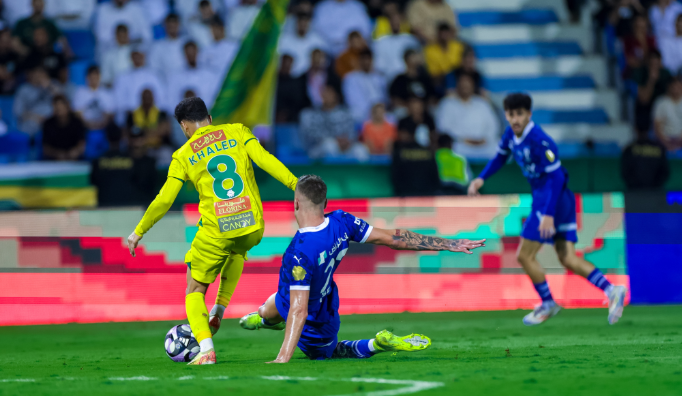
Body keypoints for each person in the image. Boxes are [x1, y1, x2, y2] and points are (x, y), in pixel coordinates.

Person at [238, 174, 485, 362]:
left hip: (314, 315)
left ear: (295, 203)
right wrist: (448, 243)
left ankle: (376, 344)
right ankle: (264, 318)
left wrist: (283, 357)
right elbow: (394, 238)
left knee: (328, 351)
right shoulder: (342, 221)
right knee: (270, 309)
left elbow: (300, 310)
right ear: (325, 202)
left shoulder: (298, 251)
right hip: (321, 299)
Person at [126, 97, 299, 365]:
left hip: (217, 229)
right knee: (238, 249)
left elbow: (164, 199)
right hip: (253, 225)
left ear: (184, 126)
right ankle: (218, 309)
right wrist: (296, 185)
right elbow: (266, 160)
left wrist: (139, 231)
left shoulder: (182, 155)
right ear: (208, 117)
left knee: (194, 288)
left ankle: (206, 350)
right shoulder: (238, 131)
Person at [467, 93, 628, 326]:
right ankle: (612, 290)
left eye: (520, 114)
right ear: (506, 115)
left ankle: (548, 303)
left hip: (551, 200)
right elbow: (500, 158)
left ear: (529, 114)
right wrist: (481, 178)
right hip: (558, 200)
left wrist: (548, 215)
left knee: (524, 255)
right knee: (568, 258)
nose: (515, 119)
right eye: (511, 114)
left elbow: (556, 178)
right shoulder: (510, 135)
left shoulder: (540, 141)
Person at [436, 73, 500, 159]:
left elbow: (493, 126)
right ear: (457, 86)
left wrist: (484, 139)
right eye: (462, 84)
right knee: (452, 150)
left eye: (468, 84)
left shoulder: (482, 103)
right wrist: (464, 139)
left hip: (483, 144)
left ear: (473, 86)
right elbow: (443, 127)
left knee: (500, 148)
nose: (465, 87)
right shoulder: (447, 104)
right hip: (460, 144)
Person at [299, 85, 368, 160]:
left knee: (361, 150)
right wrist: (335, 140)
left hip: (344, 146)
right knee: (330, 145)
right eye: (324, 94)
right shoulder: (311, 114)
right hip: (319, 148)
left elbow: (352, 132)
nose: (327, 97)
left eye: (330, 94)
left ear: (335, 96)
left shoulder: (346, 113)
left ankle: (357, 172)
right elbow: (310, 135)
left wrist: (347, 141)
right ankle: (332, 172)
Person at [113, 48, 166, 125]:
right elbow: (119, 100)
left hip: (151, 115)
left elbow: (160, 97)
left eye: (139, 56)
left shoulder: (154, 76)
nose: (137, 59)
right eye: (135, 57)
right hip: (130, 116)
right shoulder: (122, 77)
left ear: (144, 57)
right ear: (131, 58)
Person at [126, 89, 172, 165]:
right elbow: (127, 134)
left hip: (157, 148)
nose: (147, 100)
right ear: (141, 98)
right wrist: (154, 132)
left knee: (166, 154)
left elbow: (164, 130)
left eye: (149, 97)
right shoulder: (132, 115)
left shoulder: (162, 114)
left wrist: (142, 138)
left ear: (153, 98)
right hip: (138, 149)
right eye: (145, 97)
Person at [13, 65, 61, 136]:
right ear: (31, 74)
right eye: (37, 73)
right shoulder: (23, 89)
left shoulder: (53, 84)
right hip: (32, 120)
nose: (39, 76)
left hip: (52, 119)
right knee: (30, 125)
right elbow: (18, 112)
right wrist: (37, 117)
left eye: (41, 73)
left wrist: (49, 86)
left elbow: (63, 102)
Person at [391, 126, 441, 196]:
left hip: (405, 195)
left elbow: (395, 176)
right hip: (426, 195)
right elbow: (435, 178)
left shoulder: (399, 152)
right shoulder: (430, 153)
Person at [342, 48, 387, 123]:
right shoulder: (351, 78)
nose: (366, 62)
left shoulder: (379, 78)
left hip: (380, 114)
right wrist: (370, 113)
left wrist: (378, 111)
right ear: (359, 61)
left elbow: (384, 99)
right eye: (363, 59)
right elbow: (352, 101)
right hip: (360, 116)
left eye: (368, 59)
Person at [372, 12, 420, 83]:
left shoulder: (410, 40)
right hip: (388, 78)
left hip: (407, 77)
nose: (395, 24)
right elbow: (379, 65)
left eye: (397, 21)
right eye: (393, 21)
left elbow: (416, 60)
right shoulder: (381, 42)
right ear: (389, 23)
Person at [633, 49, 672, 131]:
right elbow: (644, 99)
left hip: (664, 106)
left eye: (656, 64)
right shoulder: (641, 72)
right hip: (647, 107)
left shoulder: (666, 73)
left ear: (660, 63)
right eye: (652, 64)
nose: (654, 67)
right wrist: (651, 80)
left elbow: (673, 95)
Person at [41, 94, 87, 161]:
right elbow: (46, 148)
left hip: (75, 160)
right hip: (54, 160)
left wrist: (74, 152)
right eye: (56, 107)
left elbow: (82, 144)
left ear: (67, 106)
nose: (58, 109)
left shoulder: (77, 122)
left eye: (61, 107)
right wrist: (58, 154)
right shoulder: (48, 124)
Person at [73, 65, 116, 132]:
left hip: (103, 129)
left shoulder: (107, 93)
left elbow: (110, 113)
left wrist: (101, 125)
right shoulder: (80, 92)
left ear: (99, 76)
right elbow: (78, 113)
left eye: (95, 76)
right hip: (86, 129)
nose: (93, 79)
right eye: (91, 77)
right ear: (87, 77)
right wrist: (89, 125)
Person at [148, 14, 189, 82]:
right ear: (165, 26)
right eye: (169, 26)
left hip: (187, 81)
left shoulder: (187, 42)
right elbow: (154, 68)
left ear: (178, 25)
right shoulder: (158, 46)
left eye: (174, 25)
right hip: (167, 83)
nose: (172, 28)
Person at [424, 23, 464, 89]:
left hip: (457, 79)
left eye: (446, 33)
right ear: (438, 35)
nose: (444, 37)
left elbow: (461, 65)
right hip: (440, 81)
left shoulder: (458, 47)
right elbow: (433, 73)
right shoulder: (429, 50)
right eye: (442, 34)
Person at [275, 54, 310, 123]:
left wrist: (287, 114)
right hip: (273, 115)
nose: (286, 65)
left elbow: (300, 101)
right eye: (284, 63)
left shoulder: (297, 83)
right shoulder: (273, 82)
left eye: (289, 63)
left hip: (292, 118)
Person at [653, 77, 682, 151]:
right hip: (664, 140)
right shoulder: (661, 102)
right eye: (674, 86)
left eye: (679, 86)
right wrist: (666, 143)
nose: (676, 89)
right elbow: (657, 127)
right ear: (669, 87)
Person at [0, 28, 18, 94]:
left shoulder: (13, 55)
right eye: (3, 41)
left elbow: (10, 73)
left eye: (8, 40)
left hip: (9, 86)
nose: (5, 43)